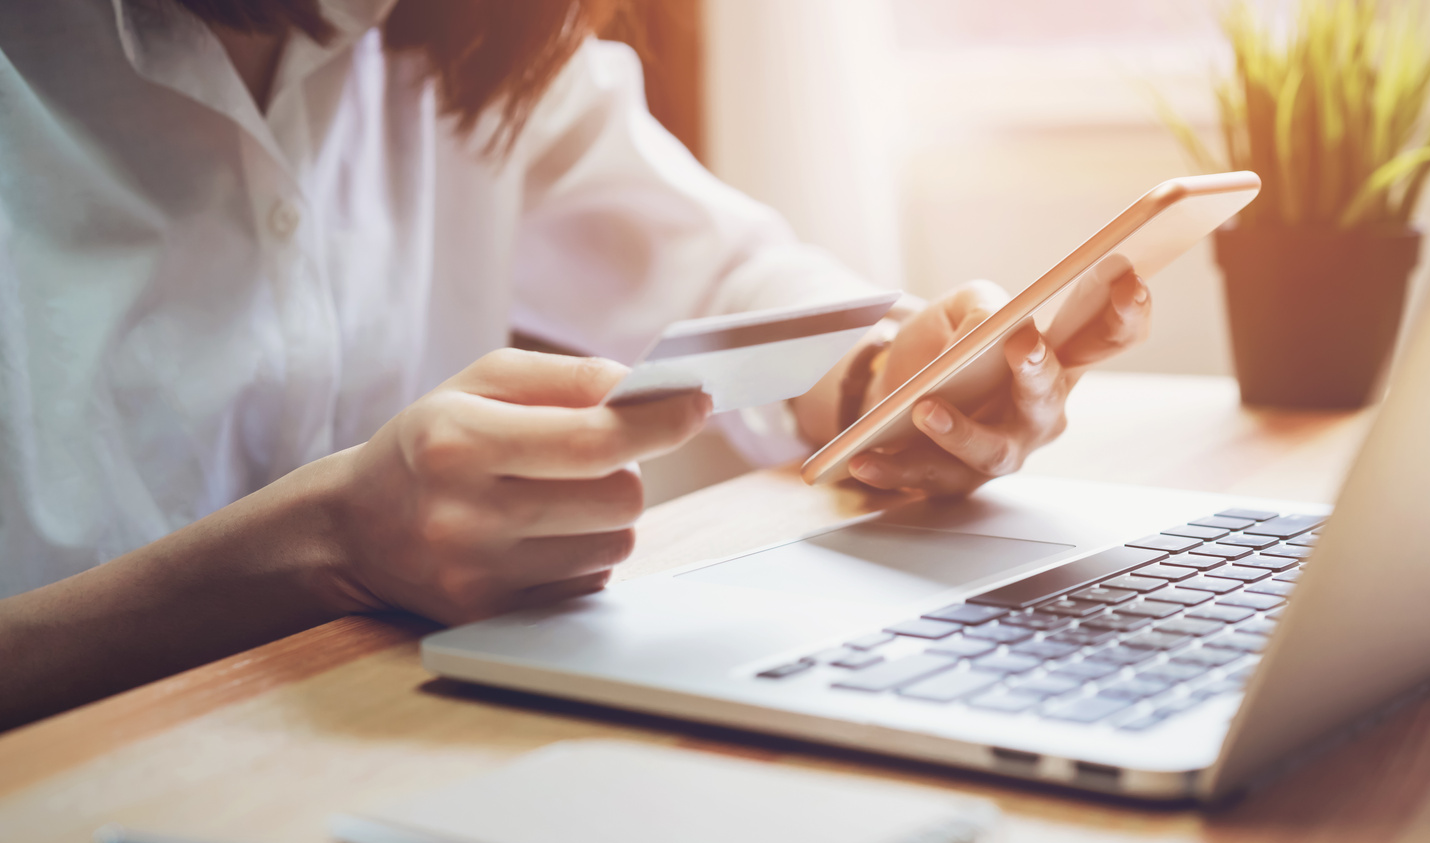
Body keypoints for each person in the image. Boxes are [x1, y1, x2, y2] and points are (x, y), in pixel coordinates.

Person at [0, 0, 1151, 727]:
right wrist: (323, 547)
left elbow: (729, 277)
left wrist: (885, 381)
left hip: (374, 757)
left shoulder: (458, 41)